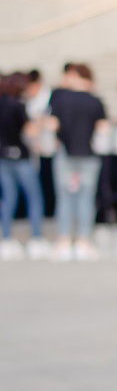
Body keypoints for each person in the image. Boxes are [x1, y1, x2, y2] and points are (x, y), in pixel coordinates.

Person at [48, 64, 109, 261]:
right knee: (86, 198)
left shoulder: (60, 99)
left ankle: (64, 240)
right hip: (88, 154)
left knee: (65, 197)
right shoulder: (95, 101)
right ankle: (84, 240)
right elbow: (103, 130)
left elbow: (53, 126)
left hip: (65, 153)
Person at [0, 73, 48, 261]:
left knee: (8, 198)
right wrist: (39, 122)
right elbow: (30, 132)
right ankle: (36, 238)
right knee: (33, 197)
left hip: (3, 156)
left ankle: (6, 238)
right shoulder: (19, 106)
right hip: (21, 156)